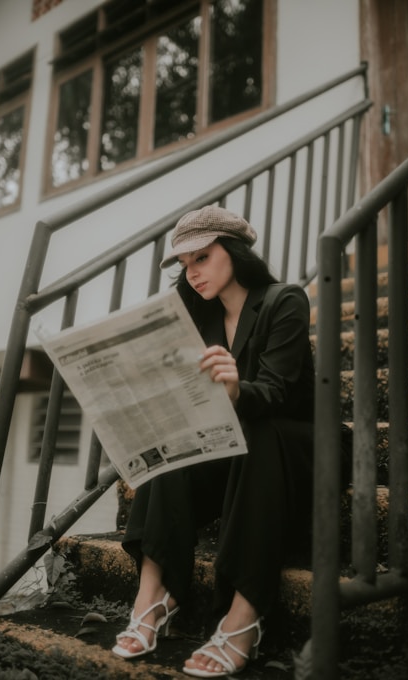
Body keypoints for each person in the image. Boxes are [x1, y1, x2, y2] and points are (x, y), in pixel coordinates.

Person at [111, 204, 317, 677]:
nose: (193, 272)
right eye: (186, 264)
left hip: (295, 446)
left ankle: (243, 617)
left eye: (202, 257)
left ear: (235, 252)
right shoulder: (196, 316)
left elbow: (278, 393)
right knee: (169, 438)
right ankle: (153, 597)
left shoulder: (284, 300)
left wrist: (233, 390)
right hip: (235, 449)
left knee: (260, 432)